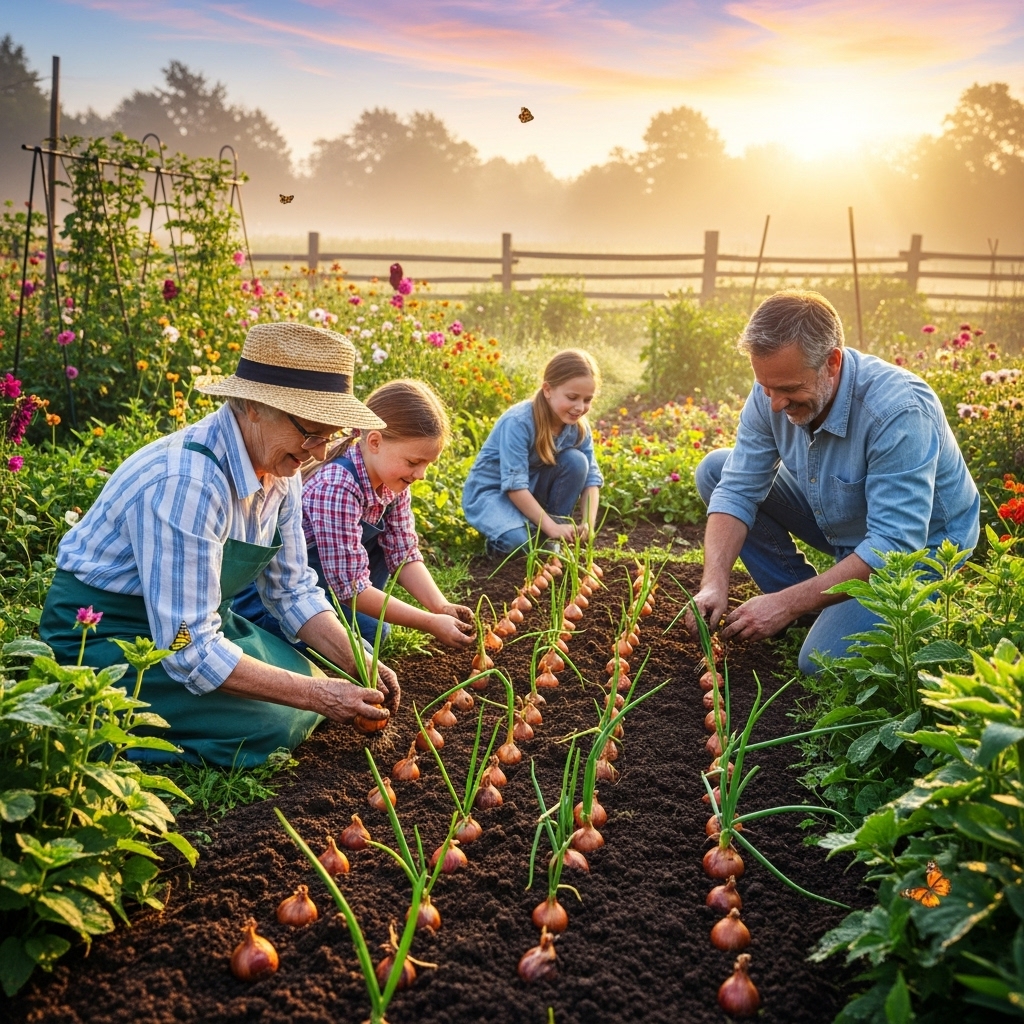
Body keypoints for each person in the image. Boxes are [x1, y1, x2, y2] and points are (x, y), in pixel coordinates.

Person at [40, 323, 400, 767]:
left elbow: (292, 591)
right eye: (311, 432)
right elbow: (187, 647)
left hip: (199, 621)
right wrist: (318, 695)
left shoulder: (281, 470)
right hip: (109, 633)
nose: (320, 453)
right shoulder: (188, 483)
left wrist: (360, 661)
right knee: (273, 723)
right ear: (253, 406)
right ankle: (92, 727)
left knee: (307, 679)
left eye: (330, 436)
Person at [687, 290, 980, 674]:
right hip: (844, 515)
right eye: (767, 387)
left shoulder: (898, 410)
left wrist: (786, 603)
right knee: (716, 470)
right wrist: (713, 583)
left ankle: (801, 605)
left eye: (789, 389)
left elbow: (895, 545)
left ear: (832, 362)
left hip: (922, 546)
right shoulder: (774, 389)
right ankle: (808, 604)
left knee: (820, 663)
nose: (775, 403)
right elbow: (737, 488)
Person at [234, 379, 475, 648]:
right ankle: (263, 637)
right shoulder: (337, 486)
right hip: (277, 600)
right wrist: (429, 622)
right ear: (375, 441)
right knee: (369, 641)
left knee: (374, 631)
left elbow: (404, 553)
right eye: (414, 462)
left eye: (427, 464)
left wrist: (441, 607)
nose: (421, 474)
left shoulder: (393, 483)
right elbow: (350, 588)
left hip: (333, 591)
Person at [462, 349, 604, 555]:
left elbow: (591, 480)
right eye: (572, 397)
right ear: (547, 390)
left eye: (587, 400)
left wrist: (588, 524)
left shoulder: (578, 427)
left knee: (577, 461)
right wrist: (551, 527)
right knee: (518, 543)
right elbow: (514, 486)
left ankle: (549, 537)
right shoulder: (519, 422)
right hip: (495, 494)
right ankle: (513, 535)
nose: (580, 407)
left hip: (532, 489)